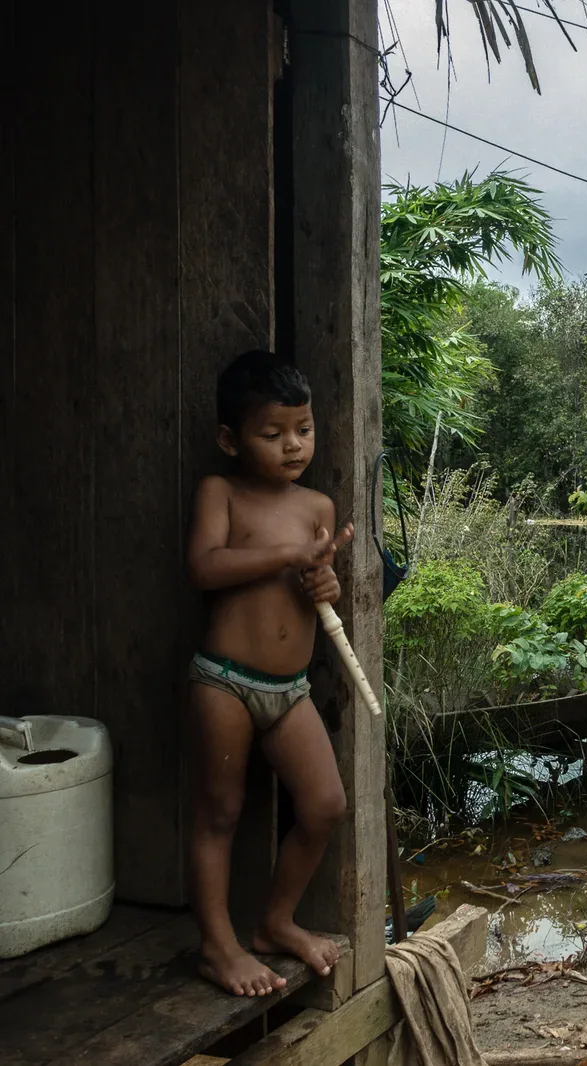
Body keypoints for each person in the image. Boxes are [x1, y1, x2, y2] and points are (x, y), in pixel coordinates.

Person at [185, 350, 354, 997]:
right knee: (219, 812)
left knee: (325, 805)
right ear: (230, 438)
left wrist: (324, 579)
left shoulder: (316, 504)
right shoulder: (220, 492)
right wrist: (286, 553)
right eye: (272, 432)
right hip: (225, 681)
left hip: (290, 691)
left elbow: (317, 587)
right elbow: (204, 567)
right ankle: (216, 946)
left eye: (303, 429)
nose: (293, 446)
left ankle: (274, 923)